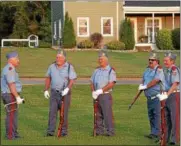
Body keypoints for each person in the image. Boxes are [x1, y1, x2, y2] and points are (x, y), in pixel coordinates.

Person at [44, 50, 77, 137]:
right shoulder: (51, 66)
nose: (57, 59)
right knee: (52, 112)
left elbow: (72, 80)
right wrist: (46, 90)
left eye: (59, 57)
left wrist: (67, 89)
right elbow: (48, 78)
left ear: (64, 58)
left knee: (64, 113)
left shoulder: (69, 67)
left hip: (65, 94)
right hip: (54, 93)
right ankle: (50, 131)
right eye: (57, 57)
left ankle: (63, 132)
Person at [138, 52, 165, 140]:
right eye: (149, 60)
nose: (150, 61)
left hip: (157, 97)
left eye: (152, 60)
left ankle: (158, 133)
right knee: (151, 116)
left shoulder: (159, 70)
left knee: (157, 115)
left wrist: (146, 86)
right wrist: (142, 85)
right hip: (149, 97)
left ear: (157, 61)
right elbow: (144, 79)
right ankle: (153, 132)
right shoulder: (147, 70)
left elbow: (156, 80)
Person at [90, 49, 116, 136]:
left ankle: (110, 131)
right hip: (96, 96)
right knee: (98, 114)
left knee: (107, 114)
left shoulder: (110, 71)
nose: (100, 60)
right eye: (99, 59)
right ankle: (99, 131)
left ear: (106, 60)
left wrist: (101, 90)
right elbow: (91, 82)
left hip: (105, 95)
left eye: (102, 59)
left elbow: (112, 83)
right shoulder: (96, 70)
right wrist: (93, 91)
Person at [157, 52, 180, 145]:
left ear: (172, 61)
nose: (164, 62)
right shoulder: (166, 70)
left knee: (175, 118)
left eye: (166, 60)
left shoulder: (174, 70)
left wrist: (167, 94)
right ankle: (165, 138)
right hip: (167, 95)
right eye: (164, 60)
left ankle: (174, 139)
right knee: (166, 118)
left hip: (174, 95)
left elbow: (175, 84)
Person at [1, 51, 24, 140]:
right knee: (11, 116)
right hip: (10, 94)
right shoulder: (10, 69)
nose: (18, 60)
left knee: (13, 115)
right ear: (11, 60)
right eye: (17, 59)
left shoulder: (9, 68)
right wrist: (17, 97)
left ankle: (14, 134)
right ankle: (10, 136)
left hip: (10, 94)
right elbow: (11, 84)